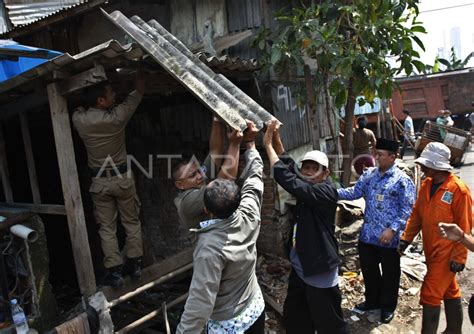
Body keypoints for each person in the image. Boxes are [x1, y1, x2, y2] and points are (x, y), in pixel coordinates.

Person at [176, 131, 265, 334]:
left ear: (206, 210)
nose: (202, 176)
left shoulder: (209, 247)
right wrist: (250, 144)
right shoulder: (249, 214)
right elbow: (254, 179)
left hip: (230, 324)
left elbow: (201, 300)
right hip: (255, 307)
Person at [264, 120, 348, 334]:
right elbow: (291, 168)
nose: (309, 172)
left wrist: (267, 146)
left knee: (330, 323)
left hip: (319, 268)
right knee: (295, 318)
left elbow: (287, 178)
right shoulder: (309, 185)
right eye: (306, 167)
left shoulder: (324, 192)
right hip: (302, 267)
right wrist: (277, 138)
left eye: (315, 169)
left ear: (325, 174)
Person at [72, 74, 145, 287]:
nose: (114, 95)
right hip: (122, 180)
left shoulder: (79, 120)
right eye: (110, 94)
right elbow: (137, 92)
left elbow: (77, 106)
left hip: (100, 183)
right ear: (101, 101)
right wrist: (135, 77)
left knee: (106, 227)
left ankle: (114, 272)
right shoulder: (117, 117)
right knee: (131, 222)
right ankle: (136, 265)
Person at [337, 138, 416, 324]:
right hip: (367, 236)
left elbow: (407, 209)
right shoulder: (369, 176)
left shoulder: (402, 180)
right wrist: (329, 192)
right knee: (369, 272)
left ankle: (388, 307)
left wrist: (393, 229)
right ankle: (372, 302)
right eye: (376, 153)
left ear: (392, 157)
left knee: (390, 274)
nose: (376, 157)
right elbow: (354, 193)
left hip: (388, 239)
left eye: (380, 154)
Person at [399, 142, 472, 333]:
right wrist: (406, 239)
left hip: (447, 253)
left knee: (430, 293)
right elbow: (417, 215)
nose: (421, 167)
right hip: (431, 250)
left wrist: (459, 257)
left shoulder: (458, 190)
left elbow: (464, 227)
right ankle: (454, 329)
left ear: (436, 165)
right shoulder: (427, 185)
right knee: (449, 289)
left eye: (425, 164)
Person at [173, 120, 256, 229]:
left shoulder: (201, 178)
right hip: (211, 244)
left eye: (199, 171)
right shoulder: (187, 202)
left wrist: (217, 118)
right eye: (192, 176)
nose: (200, 176)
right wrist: (235, 144)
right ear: (180, 185)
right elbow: (224, 184)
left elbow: (215, 152)